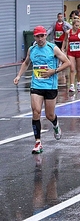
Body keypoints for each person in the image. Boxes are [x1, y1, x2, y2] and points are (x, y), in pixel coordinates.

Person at [13, 26, 71, 154]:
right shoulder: (32, 49)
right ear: (34, 37)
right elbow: (26, 63)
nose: (40, 39)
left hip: (50, 86)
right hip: (36, 86)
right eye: (37, 36)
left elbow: (67, 62)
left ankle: (56, 125)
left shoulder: (53, 48)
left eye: (42, 36)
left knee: (50, 115)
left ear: (46, 35)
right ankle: (38, 142)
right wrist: (18, 76)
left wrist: (54, 71)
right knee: (36, 112)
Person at [62, 19, 80, 93]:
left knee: (78, 69)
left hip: (79, 52)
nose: (77, 27)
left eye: (78, 25)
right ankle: (72, 85)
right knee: (72, 69)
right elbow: (64, 40)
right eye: (76, 25)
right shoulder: (68, 32)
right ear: (72, 25)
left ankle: (79, 83)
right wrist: (62, 49)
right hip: (71, 52)